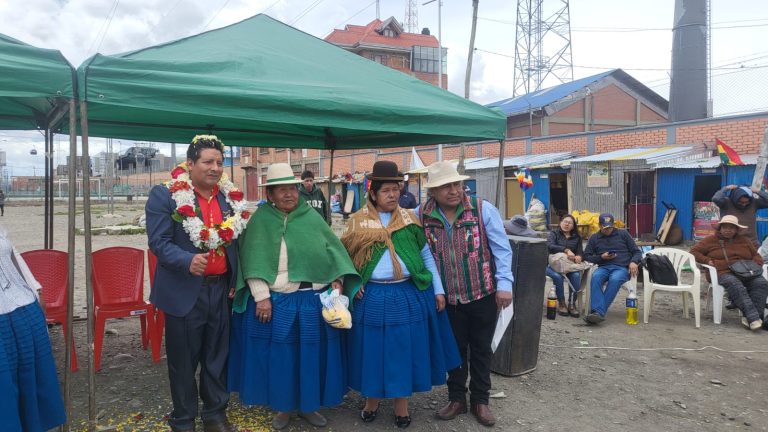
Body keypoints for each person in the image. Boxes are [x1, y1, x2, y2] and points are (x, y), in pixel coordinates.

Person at [229, 163, 360, 430]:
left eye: (292, 189)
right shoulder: (261, 220)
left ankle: (309, 406)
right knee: (283, 358)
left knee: (310, 356)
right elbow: (252, 260)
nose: (289, 194)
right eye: (281, 190)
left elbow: (333, 252)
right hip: (278, 302)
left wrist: (337, 280)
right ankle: (284, 408)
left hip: (311, 300)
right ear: (271, 195)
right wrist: (261, 296)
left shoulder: (311, 218)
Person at [341, 161, 460, 429]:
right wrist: (350, 285)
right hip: (370, 297)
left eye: (396, 189)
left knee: (402, 352)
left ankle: (401, 406)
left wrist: (438, 290)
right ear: (373, 193)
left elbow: (425, 255)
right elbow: (345, 261)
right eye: (386, 190)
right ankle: (371, 401)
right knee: (372, 351)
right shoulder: (357, 222)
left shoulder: (409, 220)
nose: (393, 195)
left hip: (407, 295)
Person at [146, 135, 243, 432]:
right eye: (207, 162)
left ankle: (215, 414)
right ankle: (184, 418)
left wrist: (235, 278)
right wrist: (186, 260)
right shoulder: (165, 195)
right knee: (183, 361)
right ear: (190, 164)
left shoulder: (229, 198)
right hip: (184, 291)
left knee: (217, 356)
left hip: (220, 289)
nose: (215, 168)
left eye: (219, 162)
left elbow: (236, 243)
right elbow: (158, 242)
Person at [419, 161, 514, 427]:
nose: (454, 190)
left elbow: (502, 250)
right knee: (454, 349)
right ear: (433, 191)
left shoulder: (483, 209)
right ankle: (457, 398)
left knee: (481, 349)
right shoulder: (421, 214)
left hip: (482, 292)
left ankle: (481, 400)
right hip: (447, 297)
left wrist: (504, 284)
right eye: (446, 186)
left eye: (457, 184)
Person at [0, 226, 66, 432]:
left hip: (21, 308)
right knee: (4, 388)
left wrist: (35, 287)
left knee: (30, 380)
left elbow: (11, 253)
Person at [690, 215, 768, 331]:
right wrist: (707, 261)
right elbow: (694, 252)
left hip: (746, 272)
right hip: (722, 272)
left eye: (732, 228)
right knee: (735, 284)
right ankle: (754, 318)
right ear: (720, 228)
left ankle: (751, 318)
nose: (728, 230)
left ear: (737, 230)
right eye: (725, 227)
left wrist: (757, 263)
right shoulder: (710, 240)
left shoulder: (745, 240)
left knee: (761, 283)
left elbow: (756, 255)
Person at [583, 213, 641, 325]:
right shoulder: (594, 238)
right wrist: (601, 257)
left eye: (610, 227)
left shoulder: (623, 234)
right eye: (605, 227)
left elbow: (637, 251)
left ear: (613, 224)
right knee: (595, 277)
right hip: (603, 267)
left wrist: (634, 261)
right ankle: (598, 313)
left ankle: (597, 313)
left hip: (621, 268)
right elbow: (587, 256)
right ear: (599, 226)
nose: (608, 230)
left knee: (615, 279)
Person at [545, 214, 585, 317]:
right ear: (560, 222)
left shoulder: (577, 237)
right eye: (565, 221)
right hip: (552, 264)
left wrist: (579, 256)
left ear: (573, 226)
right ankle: (562, 303)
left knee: (575, 276)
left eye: (569, 223)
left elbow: (580, 252)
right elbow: (550, 246)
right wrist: (566, 250)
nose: (567, 224)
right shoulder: (554, 233)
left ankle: (572, 303)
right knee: (557, 277)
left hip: (569, 265)